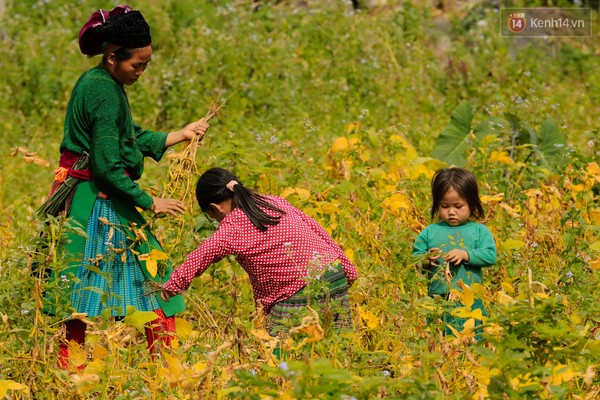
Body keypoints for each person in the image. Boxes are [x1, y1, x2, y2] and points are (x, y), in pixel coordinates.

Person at [43, 5, 209, 368]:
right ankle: (165, 369)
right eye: (137, 65)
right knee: (150, 282)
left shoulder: (101, 81)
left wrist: (177, 135)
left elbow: (125, 136)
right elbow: (106, 164)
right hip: (96, 200)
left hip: (91, 195)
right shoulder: (103, 92)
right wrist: (150, 202)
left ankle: (71, 370)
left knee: (79, 290)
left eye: (146, 64)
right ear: (113, 56)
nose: (141, 72)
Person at [160, 168, 359, 337]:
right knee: (336, 345)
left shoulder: (232, 227)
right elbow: (316, 229)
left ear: (214, 208)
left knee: (283, 358)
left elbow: (202, 254)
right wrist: (346, 267)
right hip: (333, 273)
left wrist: (175, 283)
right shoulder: (273, 201)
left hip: (298, 288)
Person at [412, 167, 496, 340]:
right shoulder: (430, 231)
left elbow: (490, 255)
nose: (451, 212)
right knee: (440, 338)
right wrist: (426, 258)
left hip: (470, 298)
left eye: (458, 206)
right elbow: (414, 259)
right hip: (438, 299)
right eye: (445, 206)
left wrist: (466, 254)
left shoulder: (479, 230)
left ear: (472, 204)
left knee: (472, 337)